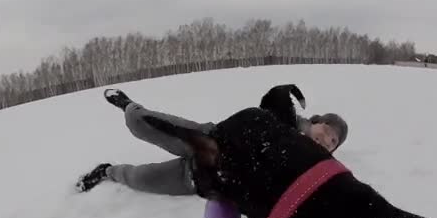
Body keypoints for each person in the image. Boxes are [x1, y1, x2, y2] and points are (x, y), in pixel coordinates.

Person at [76, 84, 348, 194]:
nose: (326, 139)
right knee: (139, 123)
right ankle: (129, 105)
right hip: (206, 138)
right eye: (327, 130)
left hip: (200, 177)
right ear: (317, 122)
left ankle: (107, 171)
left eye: (333, 142)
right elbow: (275, 101)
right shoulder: (288, 119)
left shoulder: (309, 167)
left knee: (141, 179)